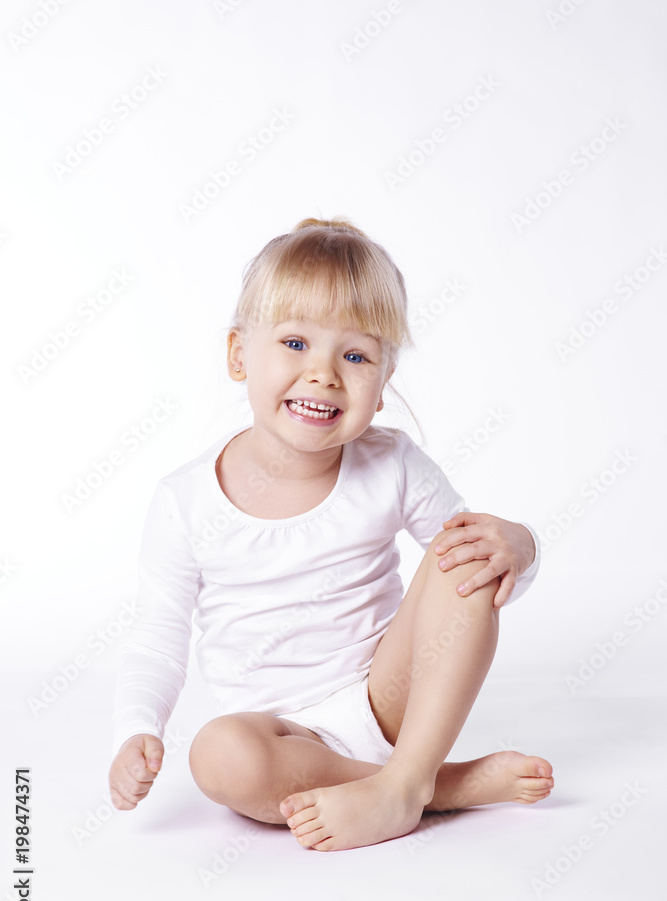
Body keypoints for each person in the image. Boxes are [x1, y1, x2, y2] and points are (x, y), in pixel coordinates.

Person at [108, 216, 554, 852]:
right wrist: (136, 727)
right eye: (294, 343)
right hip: (283, 736)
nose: (323, 374)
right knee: (217, 756)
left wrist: (521, 546)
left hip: (391, 699)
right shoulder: (184, 500)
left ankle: (404, 779)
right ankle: (436, 786)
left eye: (355, 355)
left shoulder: (392, 464)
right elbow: (157, 634)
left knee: (465, 547)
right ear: (238, 354)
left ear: (384, 382)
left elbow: (476, 577)